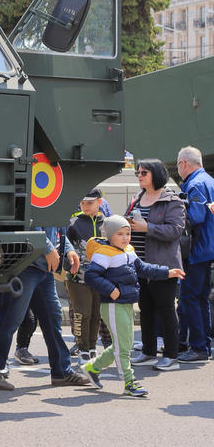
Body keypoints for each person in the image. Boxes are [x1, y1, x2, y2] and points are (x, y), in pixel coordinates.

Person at [82, 216, 185, 397]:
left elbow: (143, 268)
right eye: (120, 234)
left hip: (127, 303)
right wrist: (111, 289)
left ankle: (93, 368)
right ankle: (129, 381)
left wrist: (167, 272)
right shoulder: (104, 253)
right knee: (122, 346)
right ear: (110, 235)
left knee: (123, 345)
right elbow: (91, 276)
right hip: (112, 305)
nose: (125, 237)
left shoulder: (129, 250)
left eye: (128, 233)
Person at [0, 225, 90, 390]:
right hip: (25, 266)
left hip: (42, 267)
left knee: (52, 319)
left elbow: (56, 227)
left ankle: (62, 371)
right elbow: (25, 225)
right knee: (11, 319)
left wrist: (68, 249)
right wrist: (49, 248)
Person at [124, 159, 186, 370]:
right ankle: (149, 352)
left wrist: (146, 227)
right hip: (139, 265)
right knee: (146, 309)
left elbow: (175, 231)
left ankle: (171, 356)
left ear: (156, 174)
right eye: (138, 173)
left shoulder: (172, 200)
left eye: (144, 173)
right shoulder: (137, 198)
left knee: (167, 309)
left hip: (163, 266)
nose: (139, 176)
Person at [175, 146, 214, 362]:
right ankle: (204, 345)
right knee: (200, 298)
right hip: (207, 248)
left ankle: (198, 347)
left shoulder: (196, 184)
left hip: (197, 250)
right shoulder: (208, 180)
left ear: (184, 164)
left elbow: (195, 217)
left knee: (190, 297)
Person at [66, 188, 109, 364]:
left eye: (89, 203)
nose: (85, 206)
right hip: (78, 277)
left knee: (96, 314)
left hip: (100, 277)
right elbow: (64, 246)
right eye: (82, 203)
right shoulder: (73, 223)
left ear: (99, 202)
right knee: (81, 313)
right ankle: (82, 349)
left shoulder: (108, 224)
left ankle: (92, 348)